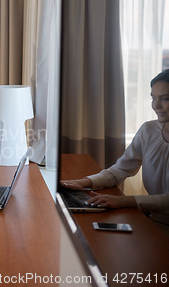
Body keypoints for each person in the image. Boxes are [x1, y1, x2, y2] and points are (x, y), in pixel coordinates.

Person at [61, 69, 169, 229]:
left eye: (165, 98)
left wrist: (123, 200)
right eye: (153, 98)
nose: (156, 105)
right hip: (155, 221)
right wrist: (84, 182)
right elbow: (119, 170)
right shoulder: (148, 130)